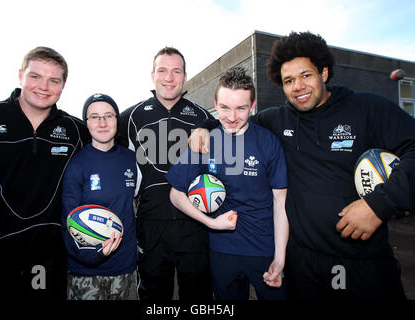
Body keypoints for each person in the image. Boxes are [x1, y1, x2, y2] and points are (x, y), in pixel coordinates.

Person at [189, 31, 415, 300]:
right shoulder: (276, 120)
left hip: (361, 261)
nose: (298, 86)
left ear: (324, 72)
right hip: (302, 264)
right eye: (288, 80)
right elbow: (234, 119)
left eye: (306, 75)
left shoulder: (367, 108)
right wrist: (203, 128)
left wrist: (379, 204)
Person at [0, 47, 90, 300]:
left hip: (45, 262)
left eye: (53, 80)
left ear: (63, 85)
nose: (44, 86)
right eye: (35, 76)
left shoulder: (76, 131)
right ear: (20, 75)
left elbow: (114, 157)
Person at [166, 67, 289, 300]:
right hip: (222, 250)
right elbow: (175, 194)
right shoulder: (204, 142)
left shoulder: (268, 142)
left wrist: (280, 258)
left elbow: (280, 202)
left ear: (252, 106)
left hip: (264, 250)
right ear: (215, 103)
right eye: (224, 108)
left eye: (241, 108)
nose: (232, 117)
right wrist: (212, 223)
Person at [117, 47, 215, 300]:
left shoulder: (203, 117)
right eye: (162, 70)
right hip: (150, 226)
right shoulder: (130, 118)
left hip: (195, 226)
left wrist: (209, 125)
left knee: (198, 297)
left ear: (184, 76)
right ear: (153, 75)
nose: (169, 78)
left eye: (176, 71)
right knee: (153, 296)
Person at [62, 93, 139, 300]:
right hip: (86, 272)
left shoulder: (133, 160)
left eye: (108, 115)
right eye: (94, 117)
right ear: (86, 123)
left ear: (117, 119)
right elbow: (68, 222)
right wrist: (93, 253)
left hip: (125, 267)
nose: (102, 122)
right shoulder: (76, 164)